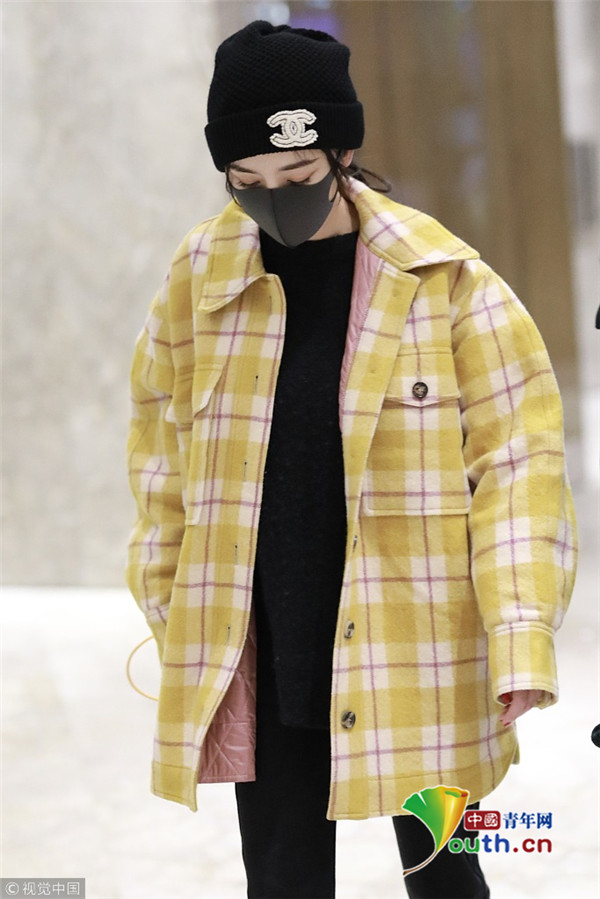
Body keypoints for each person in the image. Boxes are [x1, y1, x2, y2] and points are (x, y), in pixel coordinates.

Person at [126, 20, 577, 899]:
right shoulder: (198, 278)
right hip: (266, 636)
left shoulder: (448, 281)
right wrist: (171, 599)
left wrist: (519, 631)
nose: (274, 198)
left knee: (446, 873)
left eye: (298, 176)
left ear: (342, 152)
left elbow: (519, 466)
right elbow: (158, 453)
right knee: (282, 877)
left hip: (418, 638)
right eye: (246, 180)